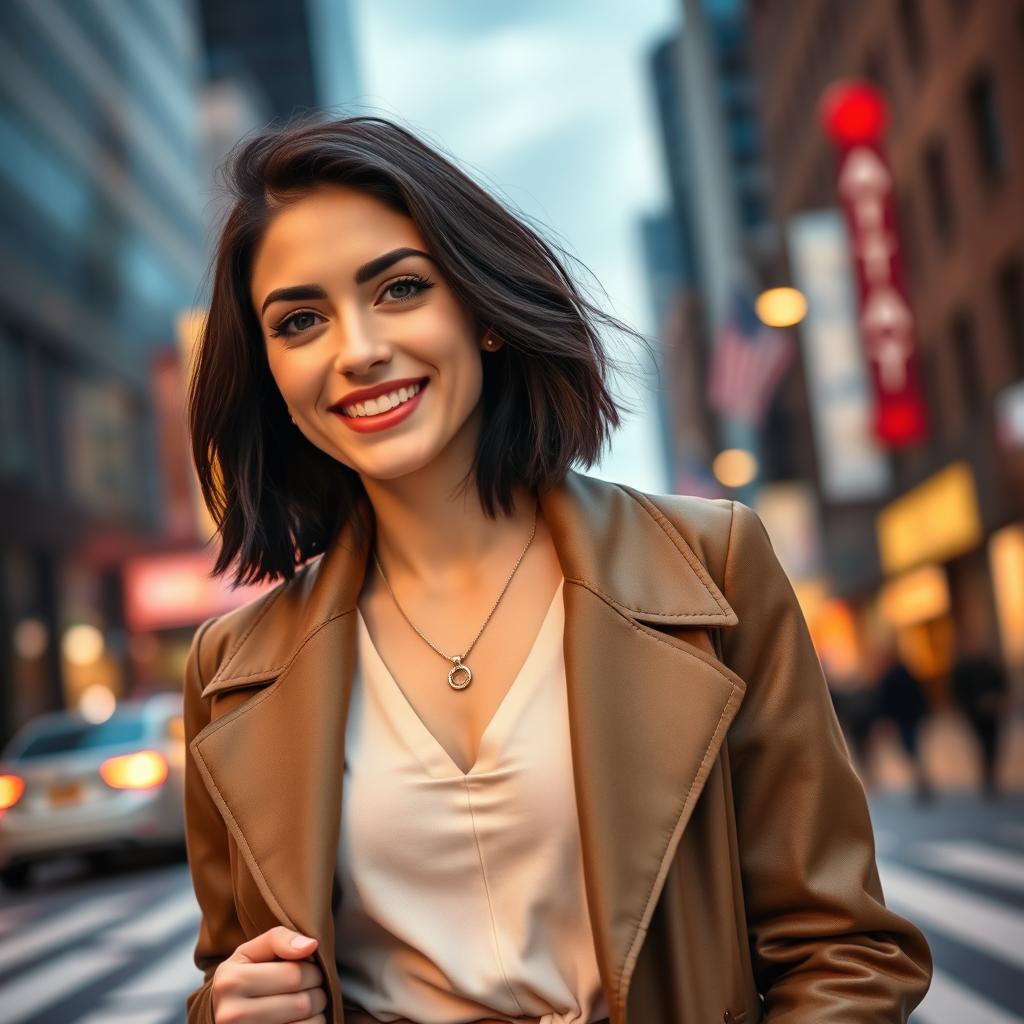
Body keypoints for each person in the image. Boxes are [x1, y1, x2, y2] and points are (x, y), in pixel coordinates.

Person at [182, 114, 933, 1024]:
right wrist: (226, 1007)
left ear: (482, 314)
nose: (356, 350)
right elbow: (229, 971)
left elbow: (846, 951)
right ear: (269, 369)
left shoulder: (715, 569)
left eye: (401, 289)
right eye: (300, 320)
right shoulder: (228, 674)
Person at [875, 646, 933, 803]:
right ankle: (922, 781)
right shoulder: (904, 673)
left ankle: (922, 782)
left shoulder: (891, 677)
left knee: (911, 751)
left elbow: (886, 702)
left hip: (905, 719)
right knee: (912, 751)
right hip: (908, 718)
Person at [950, 645, 1008, 798]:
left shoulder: (988, 664)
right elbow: (959, 692)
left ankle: (991, 777)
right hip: (975, 714)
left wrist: (998, 699)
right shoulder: (962, 668)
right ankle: (987, 778)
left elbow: (1000, 681)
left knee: (993, 745)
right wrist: (971, 707)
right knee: (983, 745)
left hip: (992, 711)